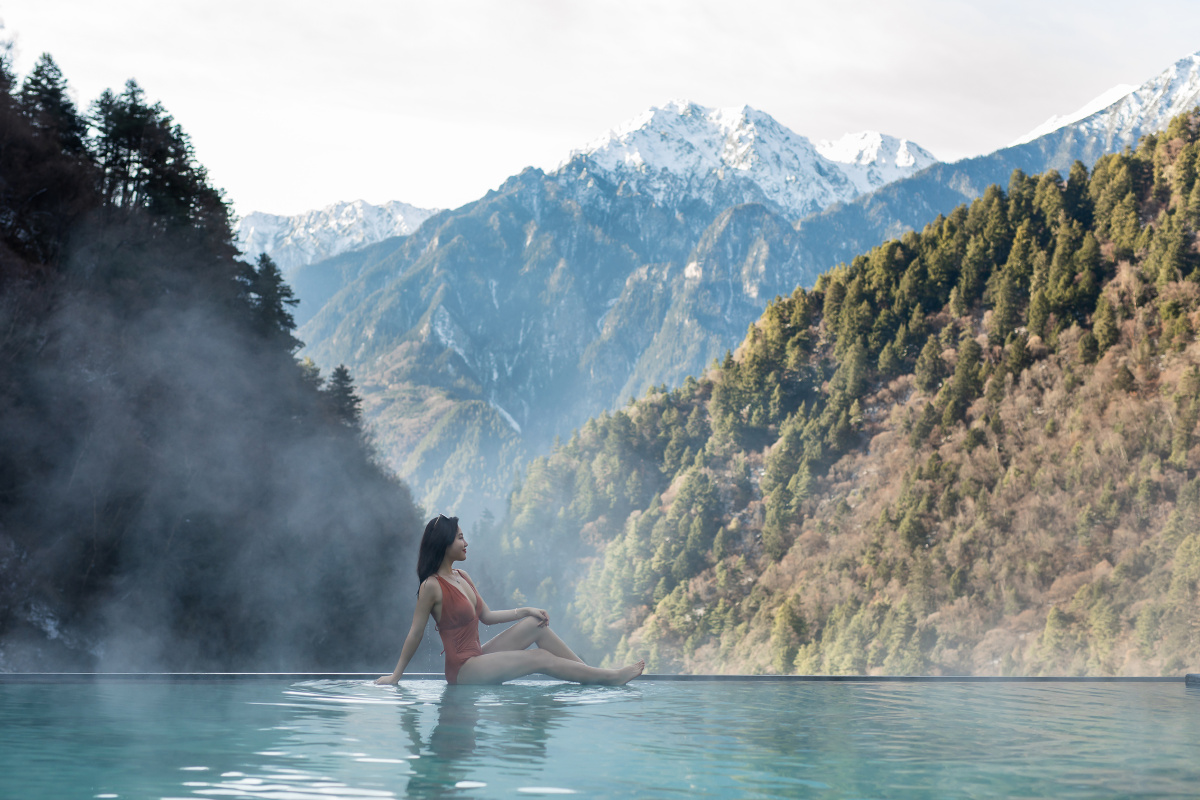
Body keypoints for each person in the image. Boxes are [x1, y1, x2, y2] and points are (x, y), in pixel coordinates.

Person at [376, 513, 645, 686]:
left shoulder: (462, 576)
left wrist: (526, 610)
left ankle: (588, 674)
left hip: (478, 656)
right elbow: (415, 633)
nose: (466, 543)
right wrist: (396, 676)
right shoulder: (431, 586)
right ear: (444, 544)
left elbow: (487, 616)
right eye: (460, 538)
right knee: (539, 657)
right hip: (463, 670)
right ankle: (608, 677)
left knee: (535, 625)